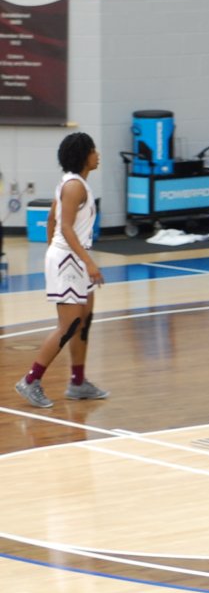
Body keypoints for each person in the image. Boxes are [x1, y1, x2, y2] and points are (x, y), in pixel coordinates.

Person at [15, 132, 109, 408]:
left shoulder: (74, 183)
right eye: (93, 150)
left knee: (84, 320)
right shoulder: (74, 187)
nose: (97, 155)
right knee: (69, 325)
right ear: (83, 155)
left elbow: (50, 220)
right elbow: (64, 227)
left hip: (72, 256)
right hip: (69, 258)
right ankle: (30, 380)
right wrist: (81, 261)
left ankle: (78, 383)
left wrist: (53, 253)